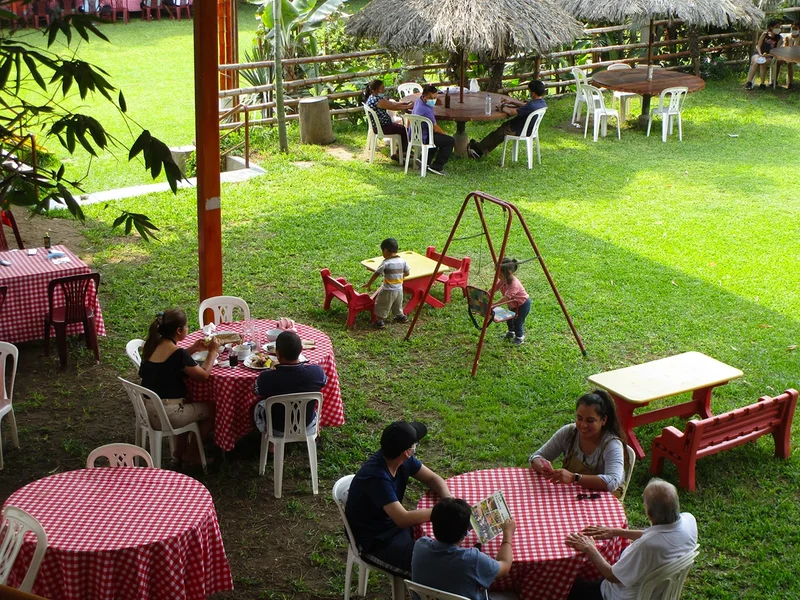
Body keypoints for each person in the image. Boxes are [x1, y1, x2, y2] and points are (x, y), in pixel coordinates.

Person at [344, 420, 452, 591]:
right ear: (407, 451)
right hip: (377, 541)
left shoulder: (402, 460)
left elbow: (433, 479)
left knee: (443, 549)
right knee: (432, 568)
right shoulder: (377, 477)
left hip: (394, 527)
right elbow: (403, 519)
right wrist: (442, 511)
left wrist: (448, 499)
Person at [564, 478, 698, 600]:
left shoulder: (647, 546)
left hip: (621, 596)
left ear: (649, 513)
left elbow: (612, 576)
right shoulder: (689, 520)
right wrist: (618, 532)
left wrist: (590, 548)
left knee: (570, 586)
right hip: (659, 590)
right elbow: (657, 534)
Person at [139, 309, 218, 465]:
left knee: (189, 403)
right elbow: (203, 376)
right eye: (187, 326)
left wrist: (193, 349)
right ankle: (192, 454)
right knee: (212, 410)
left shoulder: (152, 345)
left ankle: (178, 452)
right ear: (179, 330)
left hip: (146, 410)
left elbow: (169, 361)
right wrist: (213, 352)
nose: (188, 329)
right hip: (168, 414)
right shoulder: (178, 354)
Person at [412, 497, 515, 600]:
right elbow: (505, 566)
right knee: (513, 595)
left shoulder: (420, 545)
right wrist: (508, 533)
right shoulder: (473, 560)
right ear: (466, 532)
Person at [529, 390, 627, 498]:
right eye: (579, 418)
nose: (583, 425)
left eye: (590, 421)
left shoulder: (611, 444)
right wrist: (542, 467)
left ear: (603, 420)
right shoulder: (568, 433)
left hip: (599, 502)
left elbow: (613, 481)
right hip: (571, 498)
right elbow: (535, 457)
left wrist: (574, 478)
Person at [252, 330, 326, 437]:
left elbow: (254, 391)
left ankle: (272, 445)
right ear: (301, 350)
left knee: (259, 405)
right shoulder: (316, 372)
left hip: (276, 428)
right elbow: (324, 382)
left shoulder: (266, 378)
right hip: (307, 425)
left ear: (277, 353)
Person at [469, 80, 547, 159]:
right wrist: (511, 102)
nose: (529, 93)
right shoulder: (541, 103)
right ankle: (480, 147)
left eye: (529, 91)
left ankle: (478, 150)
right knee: (498, 133)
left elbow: (511, 112)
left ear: (533, 93)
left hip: (517, 129)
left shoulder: (531, 106)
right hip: (529, 130)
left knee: (496, 134)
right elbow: (525, 105)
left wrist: (501, 106)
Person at [363, 237, 410, 329]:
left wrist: (369, 284)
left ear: (385, 250)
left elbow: (376, 274)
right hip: (399, 289)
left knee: (381, 304)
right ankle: (401, 316)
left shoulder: (385, 263)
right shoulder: (403, 261)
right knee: (398, 304)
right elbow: (407, 273)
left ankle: (379, 321)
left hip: (388, 290)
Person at [410, 85, 455, 176]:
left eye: (435, 98)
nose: (433, 100)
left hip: (414, 133)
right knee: (449, 141)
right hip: (424, 137)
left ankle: (424, 160)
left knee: (436, 137)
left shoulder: (419, 101)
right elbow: (436, 128)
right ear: (424, 97)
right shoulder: (427, 110)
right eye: (431, 98)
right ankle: (437, 166)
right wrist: (445, 135)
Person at [364, 79, 413, 160]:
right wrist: (409, 106)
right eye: (381, 88)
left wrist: (404, 103)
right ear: (374, 90)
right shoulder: (378, 100)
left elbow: (392, 104)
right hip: (383, 127)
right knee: (404, 130)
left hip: (381, 125)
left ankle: (402, 151)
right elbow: (393, 107)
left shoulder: (373, 97)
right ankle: (401, 153)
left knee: (401, 128)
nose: (383, 90)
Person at [497, 258, 530, 346]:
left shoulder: (514, 284)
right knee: (509, 319)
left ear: (508, 273)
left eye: (499, 274)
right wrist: (486, 294)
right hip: (513, 305)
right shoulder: (502, 279)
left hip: (522, 305)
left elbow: (506, 298)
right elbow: (494, 288)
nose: (497, 276)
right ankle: (511, 332)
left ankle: (519, 337)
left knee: (517, 322)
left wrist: (494, 304)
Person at [745, 20, 784, 90]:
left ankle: (762, 83)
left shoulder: (779, 38)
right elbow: (758, 46)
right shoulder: (764, 34)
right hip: (759, 53)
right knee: (755, 62)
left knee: (763, 63)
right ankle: (749, 82)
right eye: (776, 27)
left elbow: (777, 50)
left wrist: (768, 55)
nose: (778, 28)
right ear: (771, 27)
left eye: (779, 27)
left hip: (770, 56)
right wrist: (760, 54)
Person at [775, 22, 800, 89]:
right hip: (788, 55)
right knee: (778, 62)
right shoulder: (787, 37)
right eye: (793, 28)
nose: (794, 30)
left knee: (790, 64)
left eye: (796, 29)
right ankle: (775, 81)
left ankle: (790, 84)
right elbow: (785, 48)